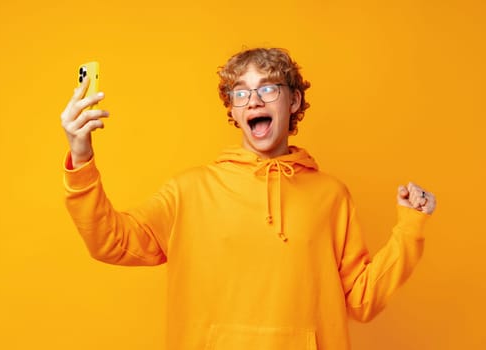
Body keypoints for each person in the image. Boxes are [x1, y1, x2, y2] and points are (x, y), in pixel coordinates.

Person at [61, 48, 436, 350]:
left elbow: (362, 300)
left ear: (293, 101)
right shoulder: (190, 191)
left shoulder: (331, 196)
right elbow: (109, 242)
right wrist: (81, 157)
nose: (254, 100)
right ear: (234, 110)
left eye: (269, 88)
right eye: (241, 92)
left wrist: (410, 228)